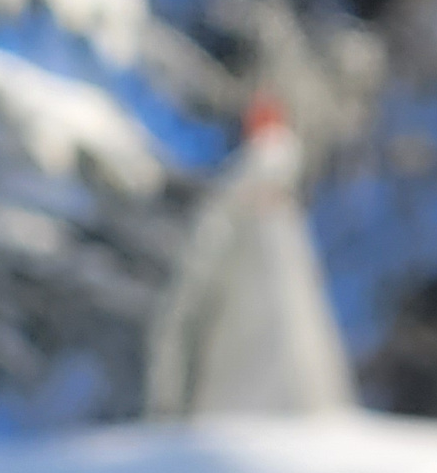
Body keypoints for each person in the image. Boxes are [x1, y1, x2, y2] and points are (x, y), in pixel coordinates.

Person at [144, 99, 355, 417]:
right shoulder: (274, 214)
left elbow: (184, 305)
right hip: (278, 404)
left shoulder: (238, 207)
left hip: (233, 403)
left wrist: (168, 397)